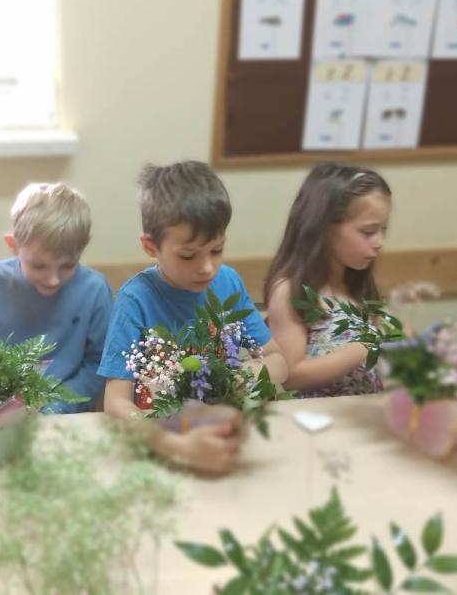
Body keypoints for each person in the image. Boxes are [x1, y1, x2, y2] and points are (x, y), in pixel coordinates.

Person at [98, 161, 288, 473]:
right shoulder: (135, 300)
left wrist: (243, 376)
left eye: (217, 250)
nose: (207, 267)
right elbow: (116, 403)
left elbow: (277, 361)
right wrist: (176, 446)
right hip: (161, 449)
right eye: (188, 255)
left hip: (222, 436)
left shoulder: (228, 283)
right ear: (151, 246)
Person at [0, 182, 112, 412]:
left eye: (67, 266)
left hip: (65, 411)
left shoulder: (94, 289)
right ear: (13, 245)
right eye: (39, 266)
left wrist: (57, 407)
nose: (53, 279)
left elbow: (97, 363)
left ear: (84, 246)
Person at [265, 162, 392, 397]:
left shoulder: (360, 286)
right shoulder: (291, 291)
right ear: (325, 227)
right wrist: (362, 348)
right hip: (316, 415)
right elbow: (289, 375)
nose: (379, 242)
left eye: (383, 229)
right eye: (368, 231)